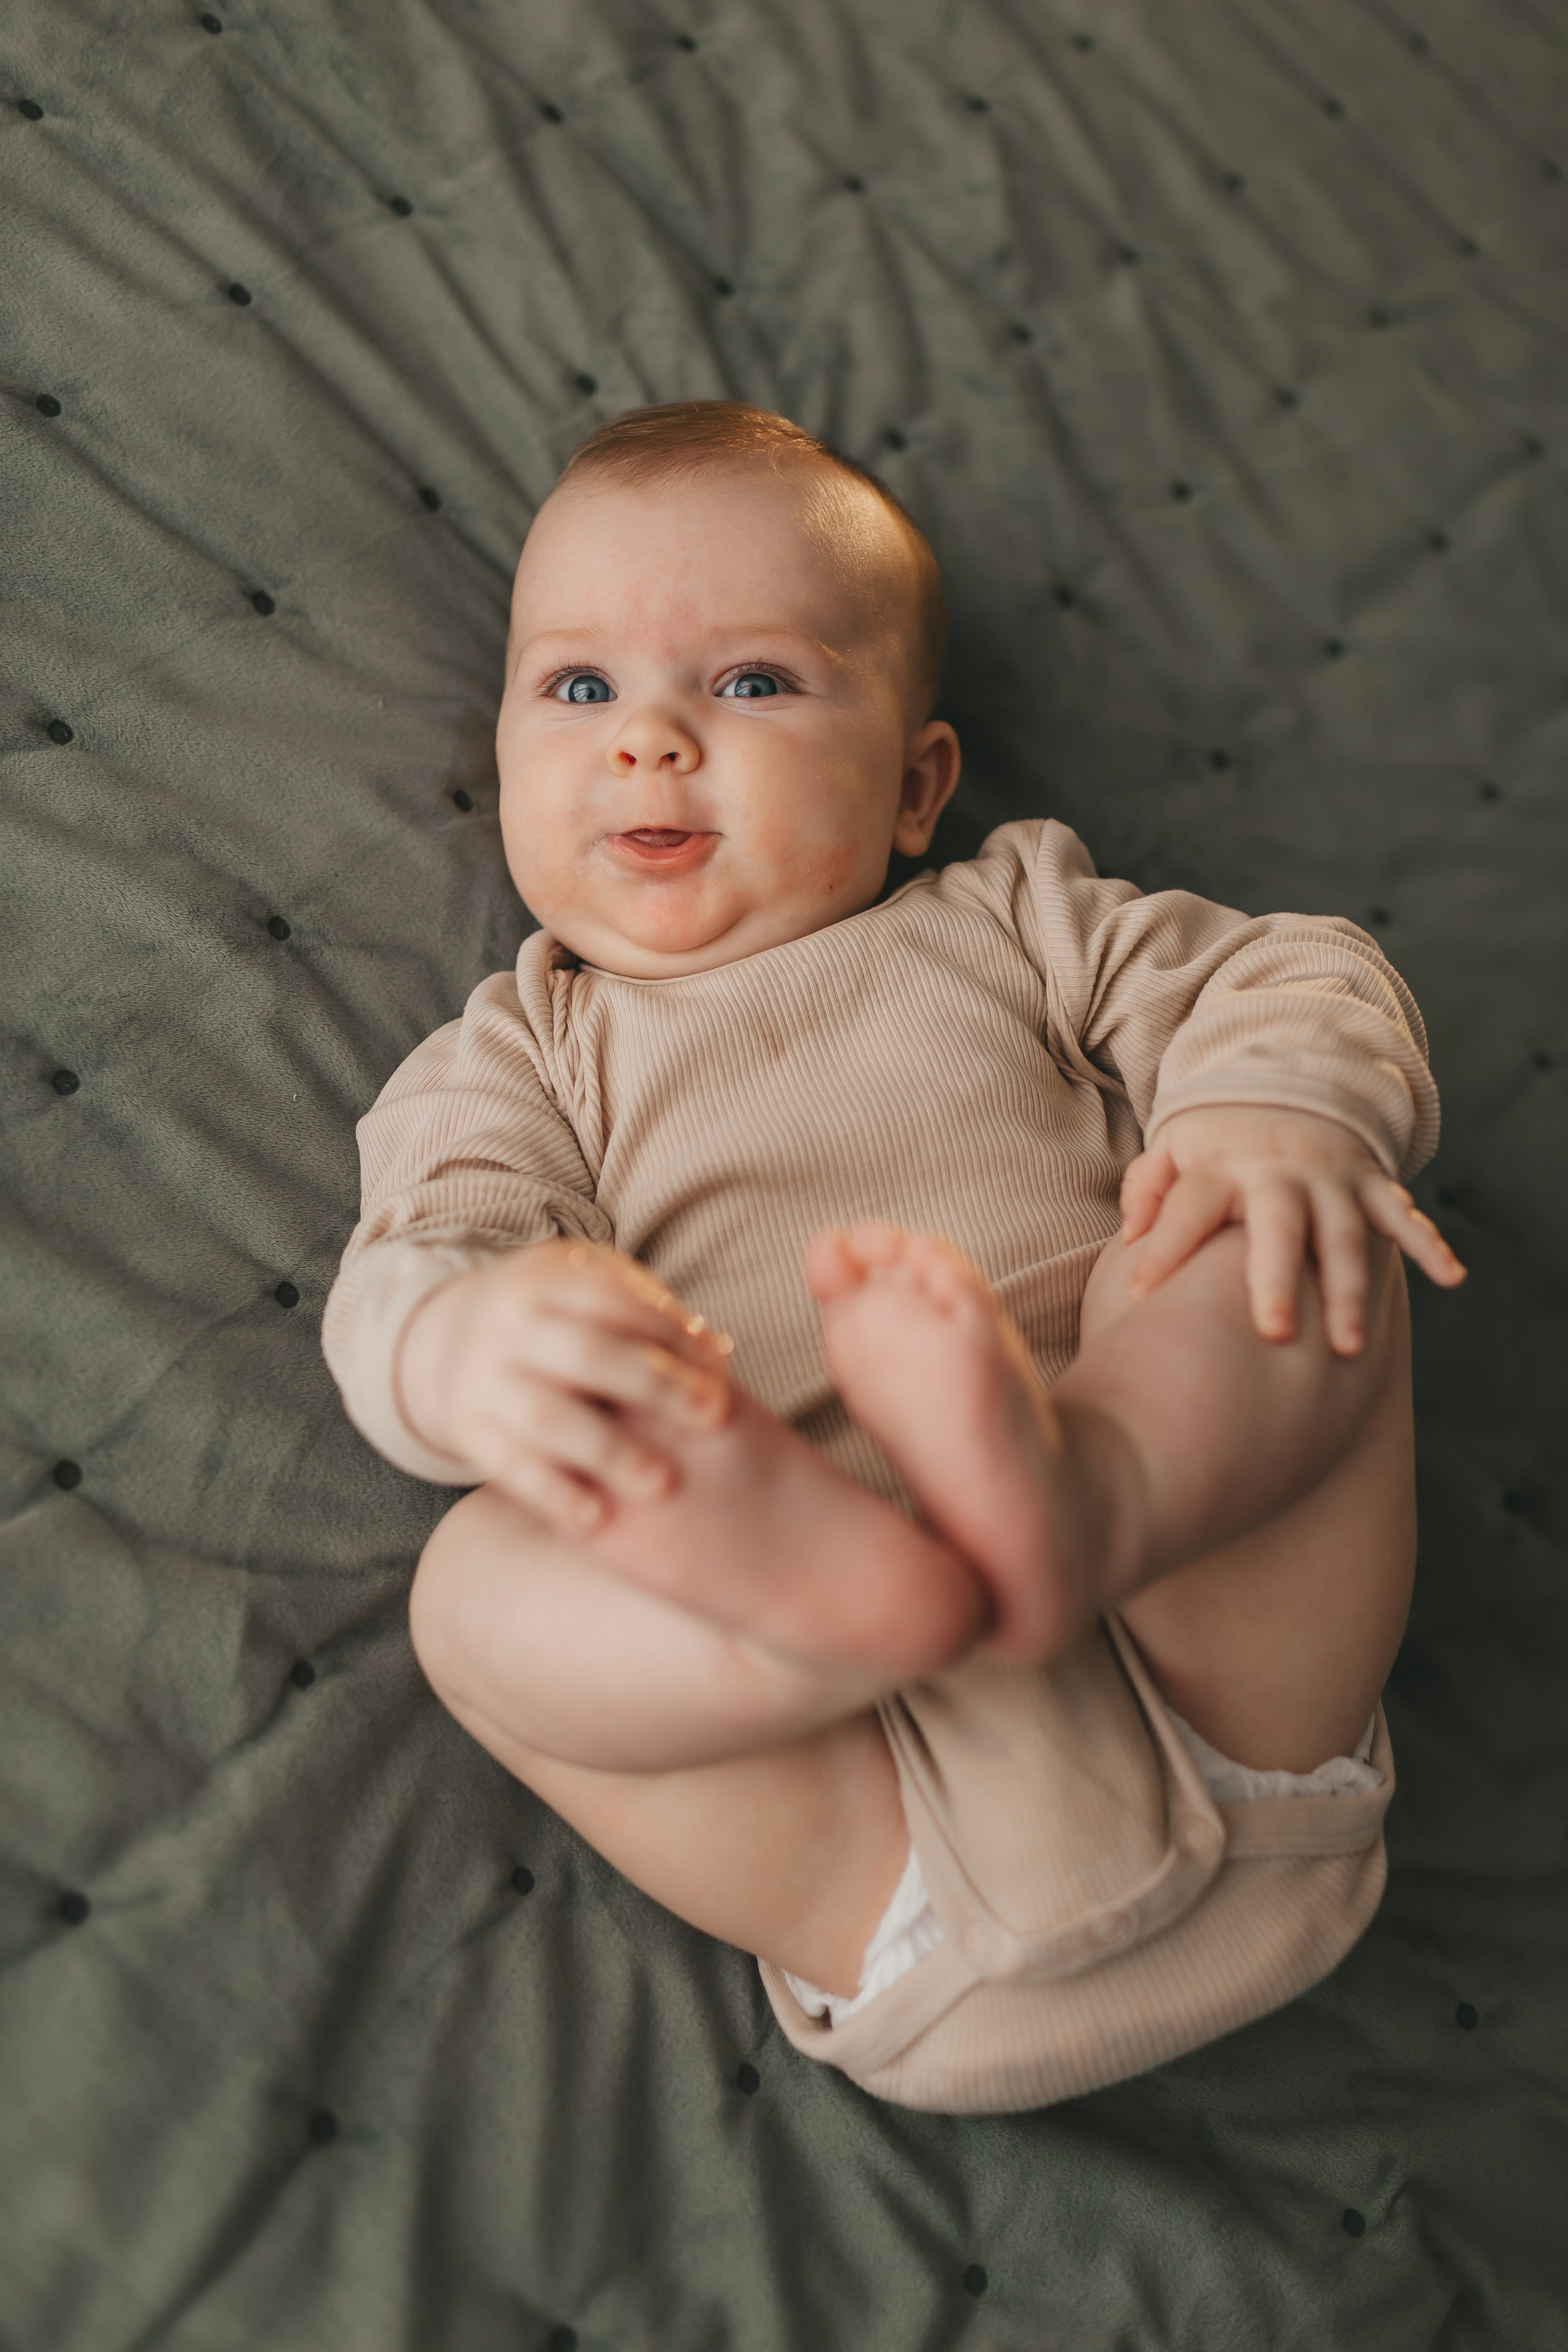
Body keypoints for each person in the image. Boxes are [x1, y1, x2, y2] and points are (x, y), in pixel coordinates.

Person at [323, 401, 1464, 2111]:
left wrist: (1278, 1110)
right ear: (500, 759)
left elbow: (1288, 973)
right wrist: (463, 1354)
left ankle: (1089, 1490)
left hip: (1218, 1654)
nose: (650, 744)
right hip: (875, 1841)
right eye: (579, 691)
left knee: (1258, 1224)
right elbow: (418, 1258)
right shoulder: (516, 1062)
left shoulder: (1016, 917)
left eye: (753, 684)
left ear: (919, 781)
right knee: (473, 1589)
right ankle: (818, 1616)